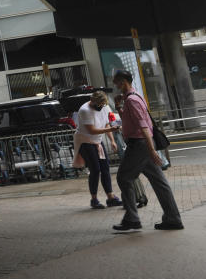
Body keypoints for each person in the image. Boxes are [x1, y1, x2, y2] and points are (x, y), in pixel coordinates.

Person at [111, 70, 184, 232]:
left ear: (123, 82)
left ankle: (132, 218)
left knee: (124, 177)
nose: (115, 86)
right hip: (142, 145)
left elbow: (144, 127)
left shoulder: (132, 101)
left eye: (116, 82)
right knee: (159, 182)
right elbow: (131, 122)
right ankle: (173, 218)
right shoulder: (134, 97)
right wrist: (119, 108)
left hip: (139, 145)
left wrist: (151, 150)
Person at [75, 91, 122, 209]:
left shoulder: (104, 107)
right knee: (95, 170)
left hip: (97, 141)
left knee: (105, 167)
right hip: (85, 141)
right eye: (98, 105)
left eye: (102, 105)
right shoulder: (85, 110)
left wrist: (112, 140)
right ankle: (94, 199)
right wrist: (110, 129)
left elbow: (106, 124)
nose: (100, 107)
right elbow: (92, 130)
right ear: (92, 101)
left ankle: (110, 197)